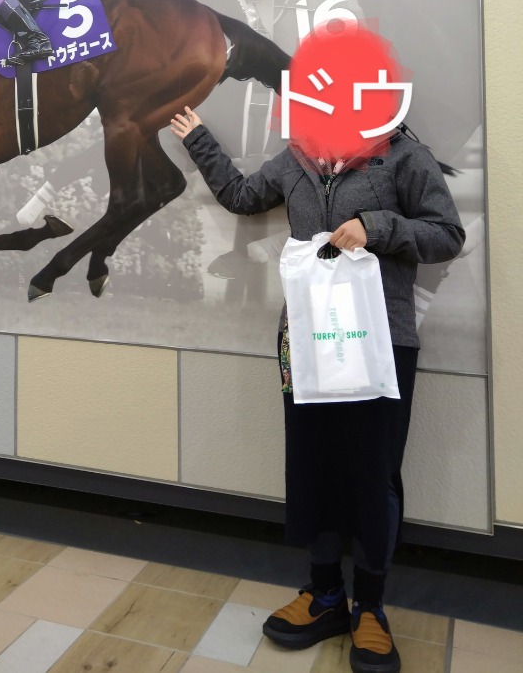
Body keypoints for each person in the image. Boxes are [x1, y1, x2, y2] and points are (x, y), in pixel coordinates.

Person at [169, 104, 465, 673]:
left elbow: (447, 233)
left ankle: (371, 608)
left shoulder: (403, 154)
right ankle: (325, 593)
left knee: (374, 472)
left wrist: (377, 228)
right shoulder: (296, 158)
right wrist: (201, 137)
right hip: (304, 343)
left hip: (381, 341)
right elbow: (240, 194)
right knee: (313, 464)